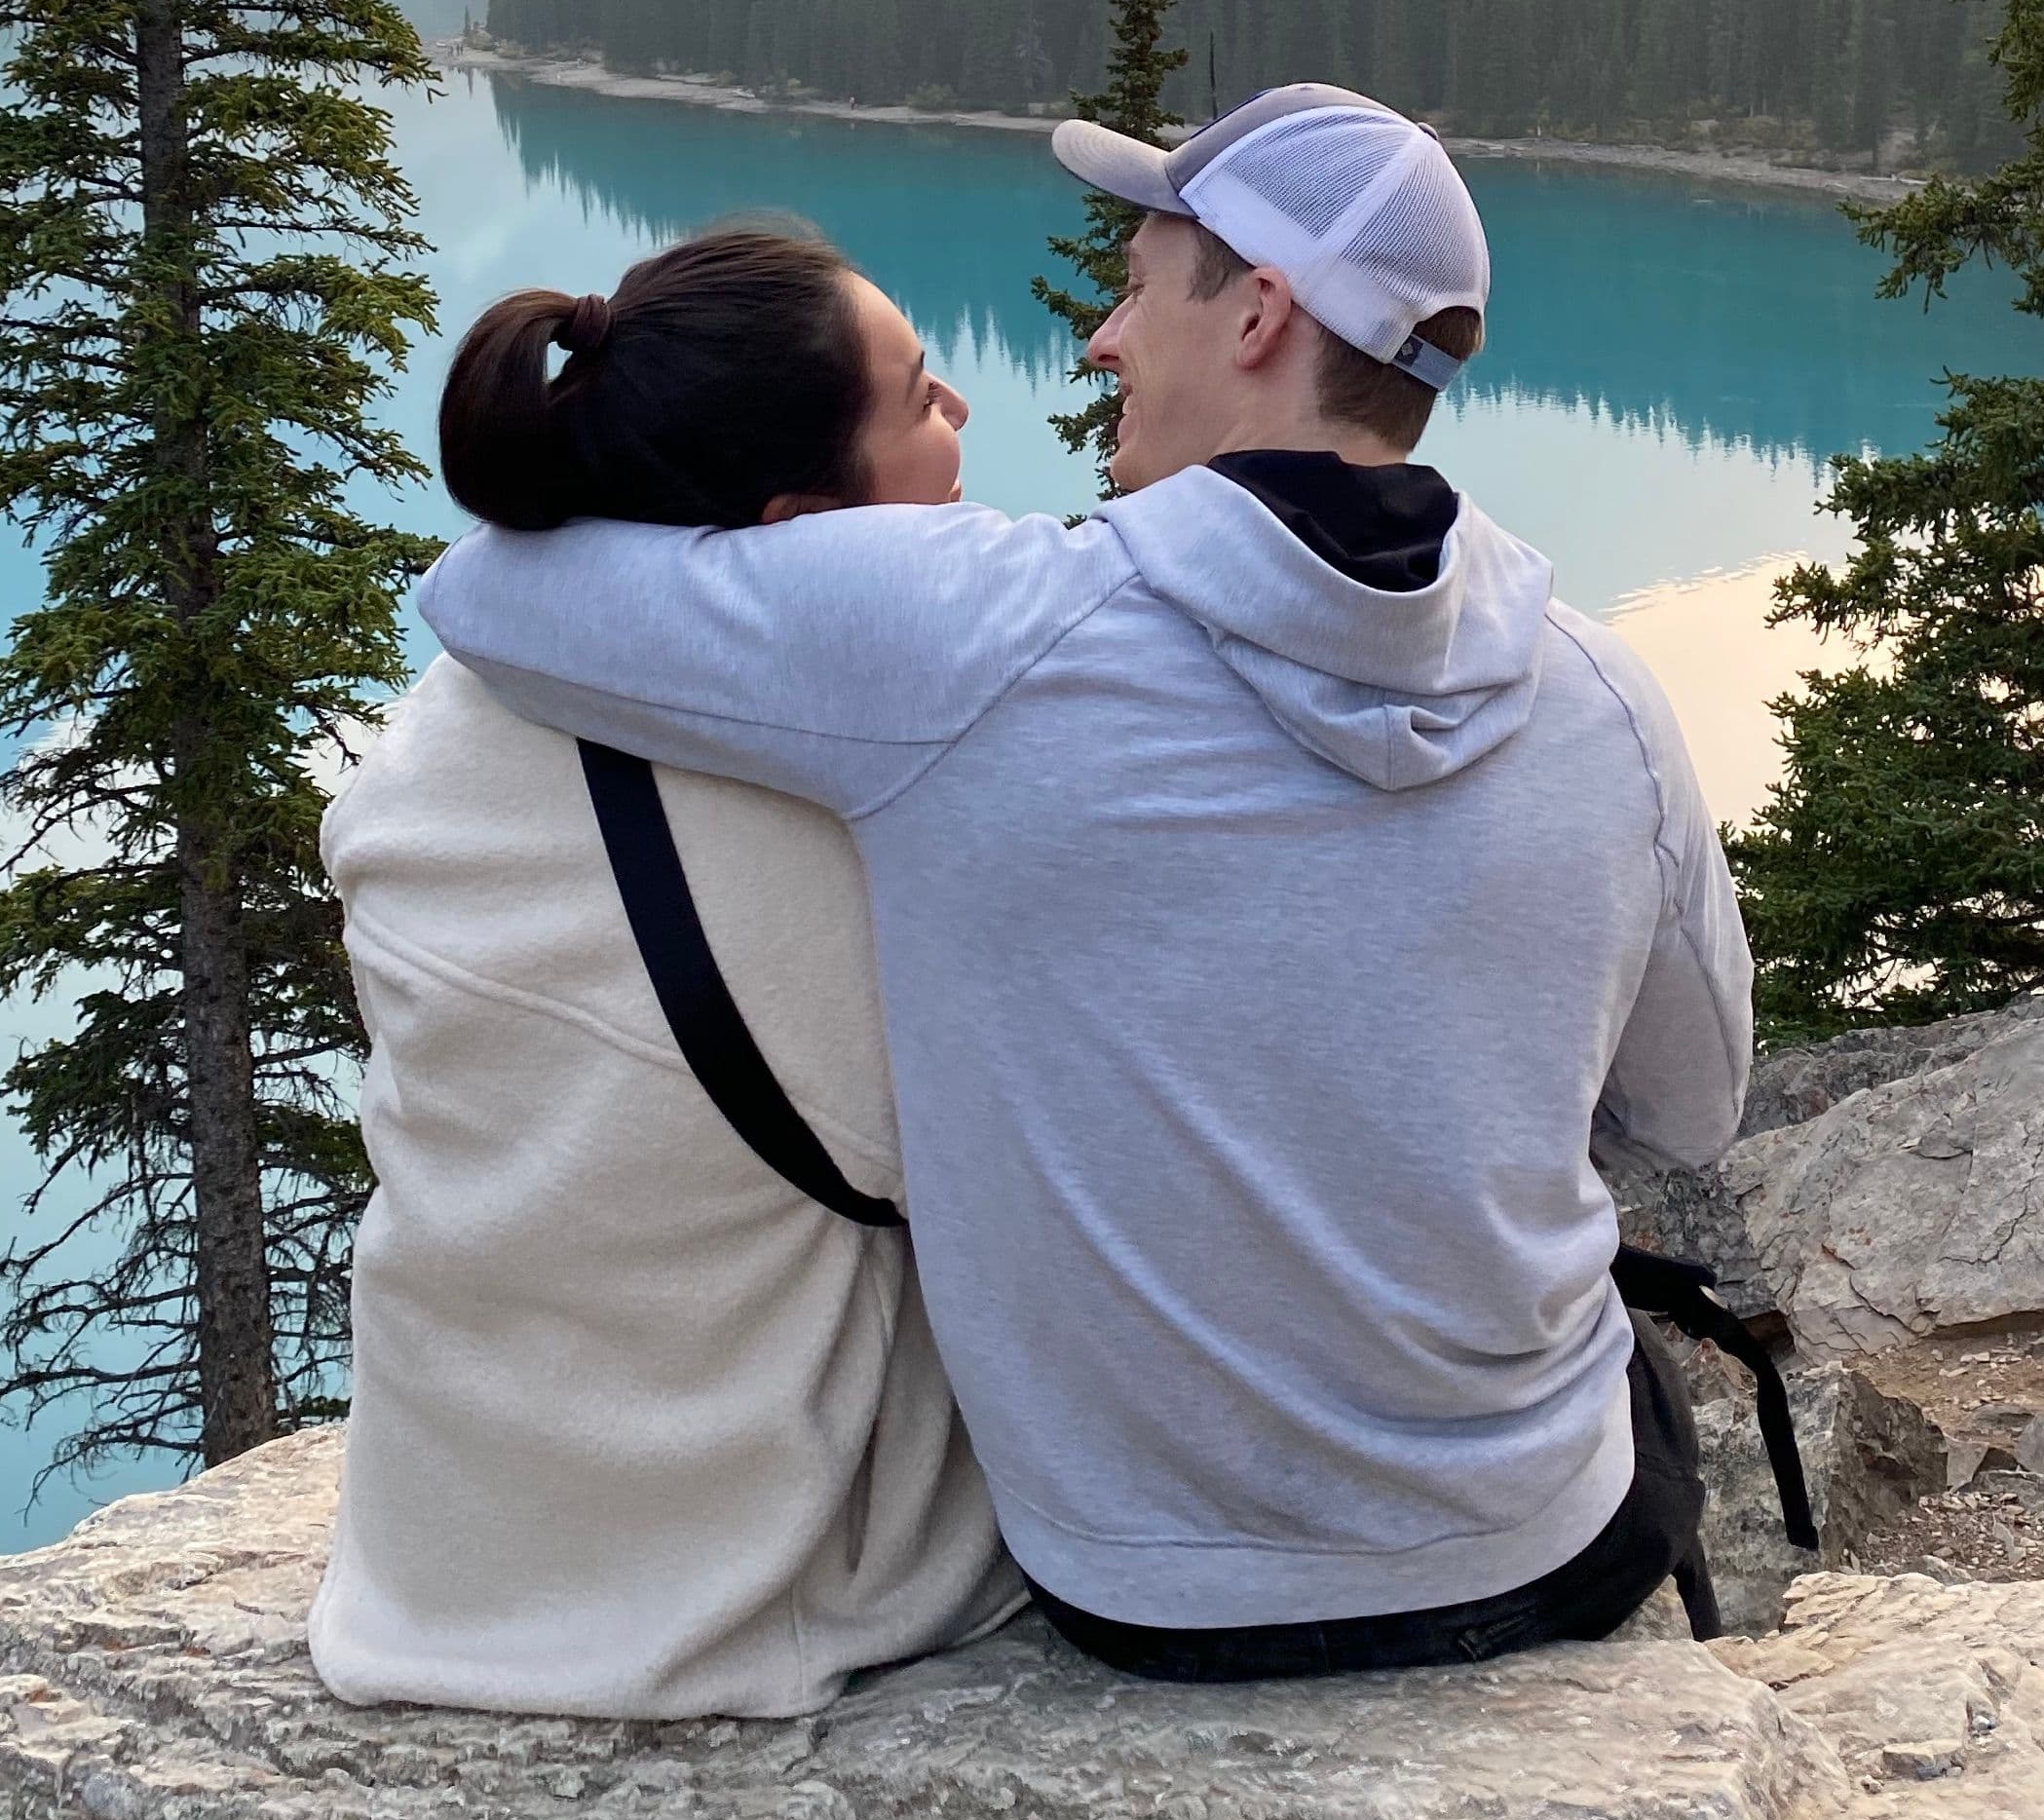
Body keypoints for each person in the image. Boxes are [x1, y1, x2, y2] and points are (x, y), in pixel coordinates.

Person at [419, 85, 1754, 1683]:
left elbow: (494, 586)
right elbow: (1694, 1105)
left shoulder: (969, 641)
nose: (1103, 338)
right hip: (1552, 1541)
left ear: (1260, 312)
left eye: (1138, 285)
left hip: (1158, 1599)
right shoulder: (1606, 697)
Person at [309, 223, 1024, 1719]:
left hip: (438, 1556)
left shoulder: (429, 742)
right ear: (794, 524)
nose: (961, 414)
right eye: (916, 398)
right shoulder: (841, 817)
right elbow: (992, 1165)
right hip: (732, 1578)